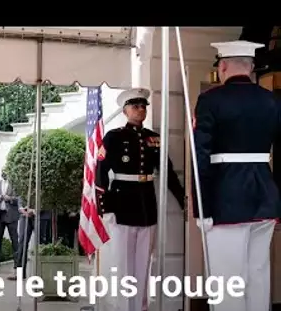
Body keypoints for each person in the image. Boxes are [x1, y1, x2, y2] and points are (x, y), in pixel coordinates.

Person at [193, 40, 280, 311]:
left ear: (224, 66)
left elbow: (201, 156)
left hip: (226, 198)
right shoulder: (272, 100)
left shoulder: (210, 100)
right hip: (265, 195)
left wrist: (201, 207)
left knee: (228, 279)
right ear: (252, 67)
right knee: (257, 274)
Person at [95, 88, 185, 311]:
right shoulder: (114, 137)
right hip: (122, 203)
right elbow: (100, 171)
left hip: (146, 205)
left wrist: (182, 199)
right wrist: (103, 206)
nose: (141, 110)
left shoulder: (153, 138)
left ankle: (141, 307)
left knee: (144, 265)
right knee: (125, 264)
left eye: (144, 106)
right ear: (125, 110)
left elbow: (167, 172)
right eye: (135, 106)